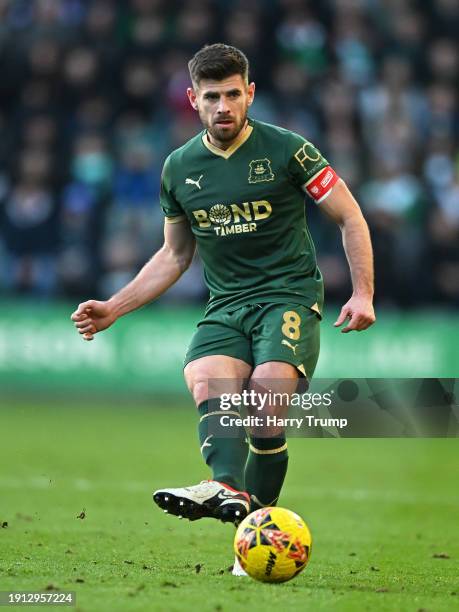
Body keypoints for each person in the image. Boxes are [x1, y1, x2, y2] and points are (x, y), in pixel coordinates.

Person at [71, 42, 375, 538]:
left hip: (288, 296)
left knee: (264, 403)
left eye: (233, 95)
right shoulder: (178, 168)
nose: (223, 107)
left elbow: (350, 215)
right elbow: (174, 254)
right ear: (193, 100)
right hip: (227, 304)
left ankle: (242, 510)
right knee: (208, 379)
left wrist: (363, 292)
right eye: (211, 97)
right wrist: (114, 308)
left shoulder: (288, 149)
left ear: (250, 94)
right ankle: (230, 492)